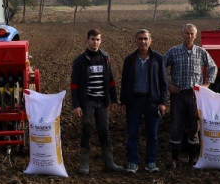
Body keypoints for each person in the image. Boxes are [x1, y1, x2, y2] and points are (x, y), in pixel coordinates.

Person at [69, 28, 123, 174]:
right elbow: (74, 85)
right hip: (88, 100)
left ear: (101, 40)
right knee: (87, 129)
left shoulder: (105, 58)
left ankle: (109, 162)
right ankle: (84, 164)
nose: (95, 42)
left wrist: (114, 100)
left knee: (104, 130)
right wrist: (76, 105)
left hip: (102, 101)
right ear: (88, 40)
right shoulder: (80, 60)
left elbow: (111, 81)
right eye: (92, 39)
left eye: (98, 39)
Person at [163, 23, 218, 166]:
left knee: (194, 126)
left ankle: (192, 157)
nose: (189, 36)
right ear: (182, 34)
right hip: (178, 95)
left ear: (196, 35)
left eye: (192, 34)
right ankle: (174, 158)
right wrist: (168, 83)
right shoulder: (173, 52)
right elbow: (159, 67)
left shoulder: (201, 52)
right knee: (176, 125)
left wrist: (206, 84)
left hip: (195, 96)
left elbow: (213, 67)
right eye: (187, 33)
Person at [119, 28, 168, 173]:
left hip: (152, 101)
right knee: (133, 133)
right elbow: (125, 82)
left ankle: (151, 162)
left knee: (152, 134)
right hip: (134, 101)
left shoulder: (158, 59)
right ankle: (133, 162)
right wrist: (124, 102)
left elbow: (163, 82)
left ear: (150, 41)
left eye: (145, 39)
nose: (143, 42)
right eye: (140, 39)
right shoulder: (130, 59)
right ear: (135, 41)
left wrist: (163, 102)